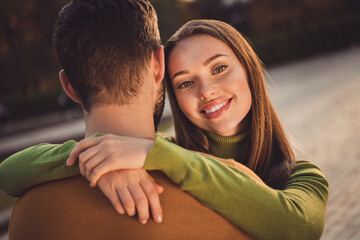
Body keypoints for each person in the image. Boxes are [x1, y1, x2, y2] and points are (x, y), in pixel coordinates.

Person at [0, 8, 329, 240]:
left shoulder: (303, 174)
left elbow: (300, 227)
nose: (207, 90)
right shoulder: (161, 153)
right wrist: (105, 158)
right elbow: (9, 171)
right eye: (185, 82)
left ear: (249, 68)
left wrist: (148, 150)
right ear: (165, 82)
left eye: (219, 68)